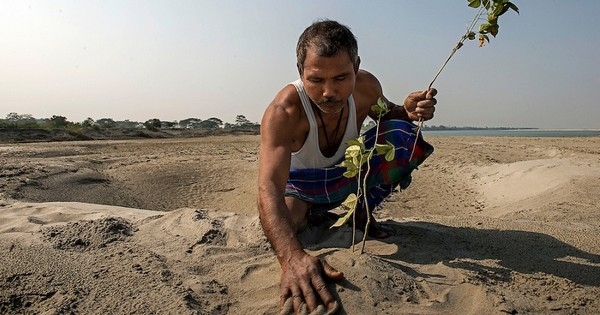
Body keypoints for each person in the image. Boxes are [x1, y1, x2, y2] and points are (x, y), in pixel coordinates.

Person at [257, 20, 437, 314]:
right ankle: (313, 214)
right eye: (316, 80)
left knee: (404, 134)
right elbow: (268, 187)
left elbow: (389, 115)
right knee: (288, 223)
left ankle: (360, 211)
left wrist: (407, 110)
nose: (329, 92)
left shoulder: (367, 87)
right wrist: (291, 258)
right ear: (300, 70)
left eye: (341, 78)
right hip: (301, 186)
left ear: (356, 66)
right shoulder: (283, 111)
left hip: (348, 176)